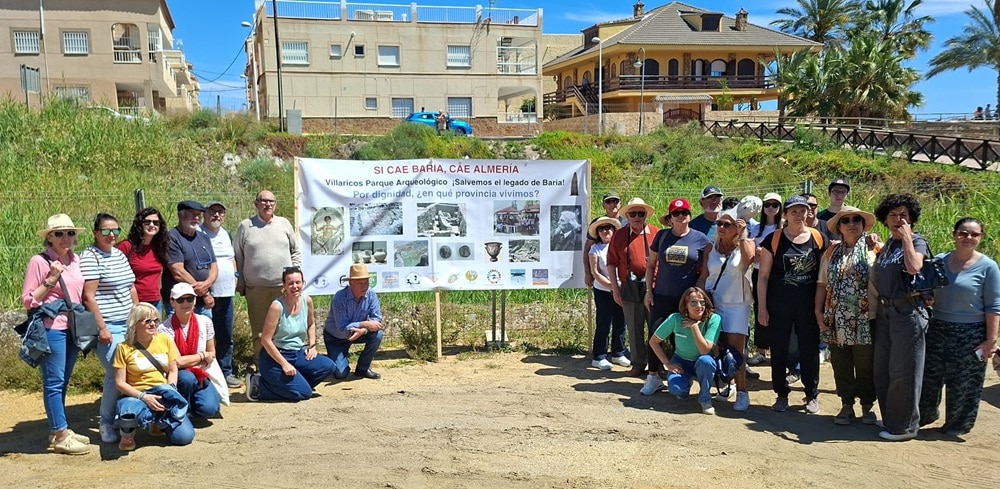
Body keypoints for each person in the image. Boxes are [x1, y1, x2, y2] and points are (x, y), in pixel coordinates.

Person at [918, 217, 1000, 436]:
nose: (968, 238)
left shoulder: (989, 267)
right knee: (929, 377)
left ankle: (957, 424)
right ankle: (925, 415)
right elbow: (926, 288)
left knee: (964, 383)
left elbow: (994, 306)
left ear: (981, 238)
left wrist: (990, 341)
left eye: (974, 234)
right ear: (954, 234)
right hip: (938, 327)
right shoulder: (940, 261)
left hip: (971, 333)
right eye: (963, 233)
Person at [21, 214, 91, 455]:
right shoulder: (39, 262)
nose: (66, 238)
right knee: (53, 382)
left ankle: (57, 429)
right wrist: (51, 280)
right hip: (51, 327)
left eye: (70, 233)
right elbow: (28, 300)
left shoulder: (76, 260)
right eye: (59, 233)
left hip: (73, 327)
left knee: (63, 381)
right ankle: (60, 434)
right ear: (49, 237)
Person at [757, 195, 829, 414]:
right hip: (780, 304)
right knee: (778, 348)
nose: (799, 215)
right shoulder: (774, 239)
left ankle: (811, 394)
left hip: (808, 305)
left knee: (809, 348)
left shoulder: (818, 238)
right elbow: (763, 277)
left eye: (803, 211)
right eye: (794, 211)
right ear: (785, 214)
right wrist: (762, 308)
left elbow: (824, 275)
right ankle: (781, 394)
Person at [814, 206, 880, 426]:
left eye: (856, 220)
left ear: (863, 225)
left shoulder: (875, 250)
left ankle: (867, 406)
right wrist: (818, 311)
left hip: (866, 318)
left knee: (865, 364)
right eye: (846, 221)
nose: (852, 223)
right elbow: (822, 284)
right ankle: (846, 404)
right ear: (839, 228)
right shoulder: (831, 253)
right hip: (836, 319)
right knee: (841, 363)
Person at [871, 193, 929, 441]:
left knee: (904, 372)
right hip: (886, 313)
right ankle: (891, 419)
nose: (897, 219)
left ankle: (904, 427)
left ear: (911, 218)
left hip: (908, 313)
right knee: (883, 370)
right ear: (885, 219)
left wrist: (906, 237)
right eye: (892, 215)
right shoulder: (889, 244)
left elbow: (915, 267)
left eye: (903, 215)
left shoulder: (916, 241)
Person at [641, 198, 711, 395]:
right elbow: (651, 265)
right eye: (676, 214)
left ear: (689, 216)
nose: (681, 217)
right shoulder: (662, 237)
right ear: (670, 218)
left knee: (686, 337)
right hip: (661, 295)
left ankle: (687, 375)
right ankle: (654, 375)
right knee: (655, 335)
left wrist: (696, 297)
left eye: (685, 213)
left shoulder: (701, 240)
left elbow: (704, 272)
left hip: (685, 300)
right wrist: (648, 291)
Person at [80, 213, 137, 444]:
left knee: (129, 371)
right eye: (105, 231)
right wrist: (102, 328)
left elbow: (131, 288)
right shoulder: (90, 257)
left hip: (129, 323)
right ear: (95, 233)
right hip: (108, 326)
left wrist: (139, 315)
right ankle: (105, 422)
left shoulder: (119, 254)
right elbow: (89, 297)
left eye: (115, 230)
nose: (111, 235)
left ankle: (122, 416)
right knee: (116, 373)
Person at [113, 302, 194, 450]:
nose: (153, 324)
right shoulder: (123, 348)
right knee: (129, 411)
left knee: (184, 438)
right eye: (147, 321)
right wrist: (144, 397)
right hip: (137, 394)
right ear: (134, 324)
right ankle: (127, 433)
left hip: (162, 390)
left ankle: (159, 422)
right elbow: (120, 383)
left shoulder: (165, 340)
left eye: (156, 320)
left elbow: (173, 370)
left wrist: (171, 390)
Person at [246, 268, 335, 401]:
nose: (295, 286)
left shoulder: (307, 300)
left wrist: (312, 346)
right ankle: (259, 384)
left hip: (298, 352)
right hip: (275, 357)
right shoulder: (277, 306)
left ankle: (295, 385)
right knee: (304, 394)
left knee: (328, 366)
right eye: (290, 283)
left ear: (303, 283)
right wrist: (284, 364)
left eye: (298, 282)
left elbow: (311, 324)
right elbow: (265, 340)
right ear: (284, 285)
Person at [697, 208, 755, 411]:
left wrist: (741, 236)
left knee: (736, 349)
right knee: (716, 346)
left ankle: (742, 391)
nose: (721, 227)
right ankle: (725, 385)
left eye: (726, 224)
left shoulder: (745, 244)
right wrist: (697, 297)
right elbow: (705, 275)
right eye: (719, 223)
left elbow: (748, 261)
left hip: (738, 303)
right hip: (714, 302)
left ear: (737, 227)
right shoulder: (710, 248)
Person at [235, 190, 301, 354]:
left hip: (283, 287)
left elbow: (295, 251)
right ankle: (261, 364)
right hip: (256, 288)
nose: (268, 204)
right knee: (259, 330)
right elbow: (238, 256)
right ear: (256, 203)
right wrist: (241, 282)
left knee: (284, 327)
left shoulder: (284, 223)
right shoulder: (245, 226)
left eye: (271, 201)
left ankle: (284, 361)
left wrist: (295, 276)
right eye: (263, 201)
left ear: (275, 204)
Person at [606, 197, 660, 378]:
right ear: (627, 216)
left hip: (653, 287)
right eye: (633, 213)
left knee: (656, 327)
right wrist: (615, 288)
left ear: (646, 215)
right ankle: (638, 364)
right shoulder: (619, 235)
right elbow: (611, 263)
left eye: (641, 213)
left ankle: (657, 364)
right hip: (629, 287)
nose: (637, 217)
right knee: (634, 327)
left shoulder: (656, 233)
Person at [648, 287, 722, 414]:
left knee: (706, 361)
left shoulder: (714, 319)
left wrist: (694, 326)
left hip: (702, 360)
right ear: (685, 305)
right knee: (677, 390)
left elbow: (705, 350)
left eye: (702, 302)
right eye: (693, 302)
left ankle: (705, 399)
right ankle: (685, 385)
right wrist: (667, 364)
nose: (699, 306)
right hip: (681, 360)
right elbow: (653, 341)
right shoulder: (675, 319)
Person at [159, 283, 221, 418]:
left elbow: (212, 352)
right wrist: (202, 355)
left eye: (190, 299)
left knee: (210, 410)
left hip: (201, 372)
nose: (185, 303)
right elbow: (176, 362)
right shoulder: (164, 329)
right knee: (187, 378)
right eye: (180, 300)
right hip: (179, 375)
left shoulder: (205, 322)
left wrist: (203, 356)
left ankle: (194, 404)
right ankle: (182, 409)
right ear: (172, 302)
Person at [201, 200, 241, 388]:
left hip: (226, 294)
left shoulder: (226, 234)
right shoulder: (199, 234)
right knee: (204, 336)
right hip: (205, 295)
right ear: (204, 214)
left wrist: (235, 276)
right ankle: (204, 373)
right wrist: (204, 291)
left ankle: (226, 372)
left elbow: (231, 257)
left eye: (220, 212)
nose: (216, 215)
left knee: (225, 335)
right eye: (212, 211)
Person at [324, 264, 385, 380]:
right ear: (350, 283)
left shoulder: (371, 294)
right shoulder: (339, 298)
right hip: (335, 337)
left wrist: (364, 330)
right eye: (360, 283)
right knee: (341, 374)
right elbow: (342, 327)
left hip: (358, 333)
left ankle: (363, 368)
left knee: (378, 335)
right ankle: (338, 358)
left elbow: (377, 320)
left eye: (366, 283)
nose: (364, 286)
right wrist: (365, 324)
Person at [747, 192, 784, 367]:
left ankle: (777, 349)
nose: (771, 208)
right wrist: (758, 254)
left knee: (778, 310)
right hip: (758, 272)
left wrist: (766, 254)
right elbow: (750, 253)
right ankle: (761, 349)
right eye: (767, 204)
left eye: (774, 205)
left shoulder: (784, 227)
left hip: (777, 273)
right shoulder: (755, 228)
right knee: (760, 308)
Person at [588, 216, 629, 370]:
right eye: (602, 229)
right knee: (604, 322)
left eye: (609, 228)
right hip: (603, 291)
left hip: (622, 289)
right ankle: (599, 356)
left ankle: (618, 353)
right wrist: (613, 287)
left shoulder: (620, 246)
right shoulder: (595, 249)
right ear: (598, 232)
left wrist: (620, 287)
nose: (606, 231)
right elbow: (595, 272)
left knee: (620, 321)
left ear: (614, 230)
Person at [164, 201, 217, 318]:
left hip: (203, 305)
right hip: (181, 303)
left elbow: (214, 266)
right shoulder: (171, 238)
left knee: (204, 335)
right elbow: (178, 272)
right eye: (192, 214)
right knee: (180, 335)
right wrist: (205, 293)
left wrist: (208, 283)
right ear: (180, 215)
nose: (196, 218)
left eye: (199, 214)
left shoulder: (204, 237)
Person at [117, 207, 168, 311]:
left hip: (156, 301)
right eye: (147, 222)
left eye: (156, 222)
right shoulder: (126, 246)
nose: (152, 225)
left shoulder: (159, 247)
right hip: (133, 301)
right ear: (139, 224)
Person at [583, 192, 625, 287]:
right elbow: (587, 249)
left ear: (620, 204)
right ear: (603, 205)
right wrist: (587, 273)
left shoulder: (628, 222)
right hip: (603, 280)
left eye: (615, 201)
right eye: (608, 202)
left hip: (624, 278)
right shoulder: (597, 223)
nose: (612, 204)